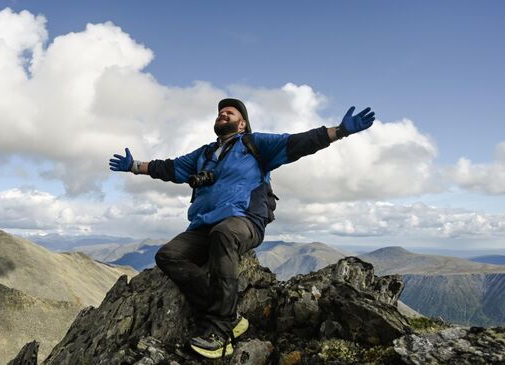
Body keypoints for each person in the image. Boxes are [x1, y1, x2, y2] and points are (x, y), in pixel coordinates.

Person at [109, 98, 375, 358]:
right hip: (203, 225)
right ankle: (230, 314)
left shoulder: (253, 144)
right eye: (221, 112)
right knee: (168, 255)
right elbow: (169, 168)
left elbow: (296, 142)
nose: (223, 114)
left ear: (242, 125)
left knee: (223, 233)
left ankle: (219, 331)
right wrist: (133, 166)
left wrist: (339, 132)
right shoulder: (203, 154)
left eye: (230, 113)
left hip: (244, 220)